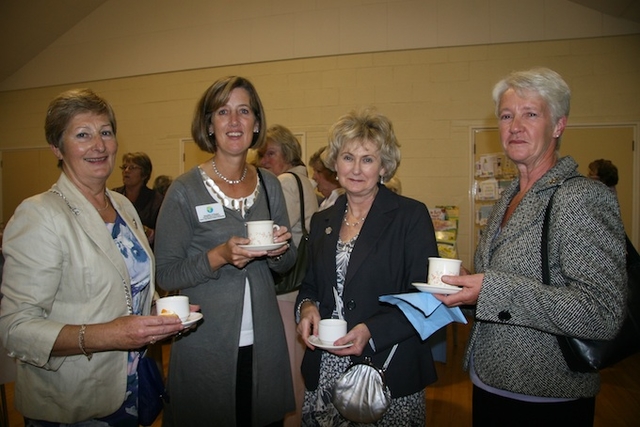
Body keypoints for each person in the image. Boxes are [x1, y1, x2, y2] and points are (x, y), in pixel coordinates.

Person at [436, 68, 627, 426]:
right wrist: (466, 284)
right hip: (491, 382)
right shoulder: (511, 195)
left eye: (531, 114)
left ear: (558, 125)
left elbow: (602, 312)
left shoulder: (580, 197)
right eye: (507, 116)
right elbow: (503, 283)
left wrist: (493, 289)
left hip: (546, 396)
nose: (515, 126)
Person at [0, 88, 184, 426]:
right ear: (57, 147)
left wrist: (159, 314)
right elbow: (16, 329)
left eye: (106, 132)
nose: (98, 145)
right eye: (82, 134)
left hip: (132, 389)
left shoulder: (123, 206)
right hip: (73, 402)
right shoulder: (39, 215)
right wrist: (110, 335)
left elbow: (126, 285)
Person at [154, 76, 296, 426]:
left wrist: (280, 248)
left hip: (263, 342)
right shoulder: (185, 190)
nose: (234, 122)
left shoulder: (270, 185)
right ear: (209, 124)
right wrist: (218, 256)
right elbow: (166, 272)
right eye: (223, 111)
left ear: (256, 123)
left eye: (243, 111)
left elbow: (286, 264)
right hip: (206, 345)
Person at [295, 109, 439, 426]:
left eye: (368, 159)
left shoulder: (410, 217)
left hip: (386, 368)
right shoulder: (322, 220)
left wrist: (371, 332)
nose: (356, 169)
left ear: (384, 166)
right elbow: (310, 286)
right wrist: (306, 309)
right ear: (335, 163)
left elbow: (428, 299)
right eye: (348, 157)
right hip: (327, 367)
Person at [256, 124, 319, 426]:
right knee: (297, 360)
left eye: (270, 153)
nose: (263, 160)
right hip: (301, 283)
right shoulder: (305, 181)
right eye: (261, 154)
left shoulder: (283, 182)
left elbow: (269, 230)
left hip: (285, 286)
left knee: (289, 365)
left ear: (287, 153)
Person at [113, 152, 164, 246]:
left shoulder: (156, 200)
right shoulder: (114, 196)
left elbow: (164, 235)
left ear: (144, 174)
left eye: (132, 167)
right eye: (124, 167)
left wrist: (146, 231)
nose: (126, 171)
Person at [308, 146, 344, 210]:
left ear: (333, 173)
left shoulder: (341, 203)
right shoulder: (323, 202)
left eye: (318, 171)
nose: (314, 177)